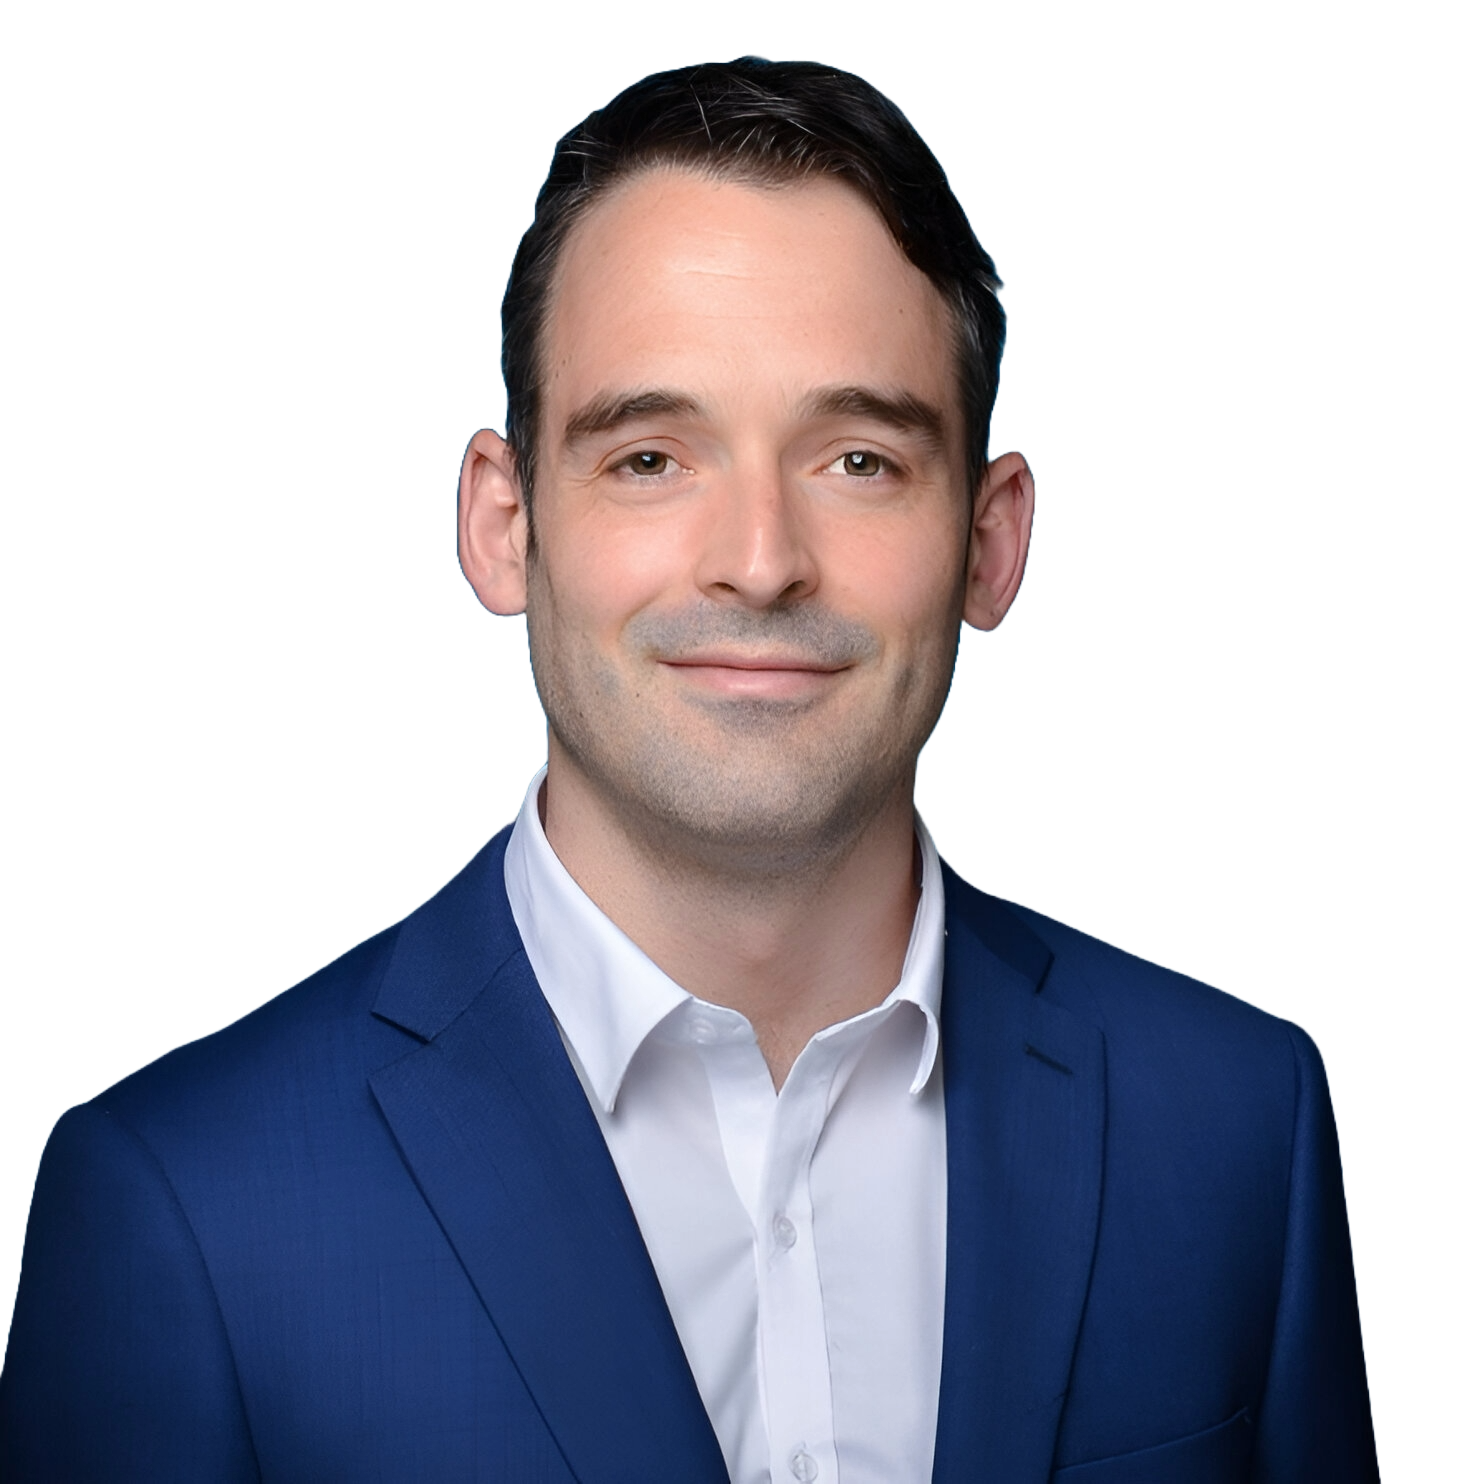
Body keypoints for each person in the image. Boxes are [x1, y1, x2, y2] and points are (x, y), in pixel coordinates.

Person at [1, 56, 1379, 1482]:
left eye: (858, 461)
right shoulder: (181, 1204)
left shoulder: (1234, 1127)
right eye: (652, 458)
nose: (762, 561)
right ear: (502, 526)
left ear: (990, 541)